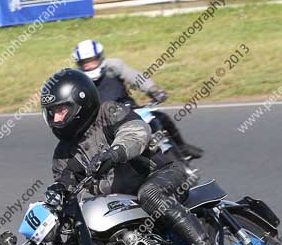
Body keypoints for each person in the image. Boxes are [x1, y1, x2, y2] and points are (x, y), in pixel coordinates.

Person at [41, 68, 227, 245]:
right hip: (122, 203)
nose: (56, 117)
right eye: (51, 112)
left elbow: (137, 131)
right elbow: (66, 183)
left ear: (80, 103)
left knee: (149, 193)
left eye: (61, 110)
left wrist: (115, 152)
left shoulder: (108, 112)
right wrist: (57, 194)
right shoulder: (63, 153)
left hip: (160, 174)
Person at [72, 39, 204, 160]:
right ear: (79, 64)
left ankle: (182, 147)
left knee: (160, 118)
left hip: (129, 109)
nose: (89, 66)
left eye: (92, 61)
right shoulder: (78, 80)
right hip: (103, 122)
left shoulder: (113, 66)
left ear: (100, 58)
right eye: (85, 63)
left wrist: (153, 89)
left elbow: (134, 77)